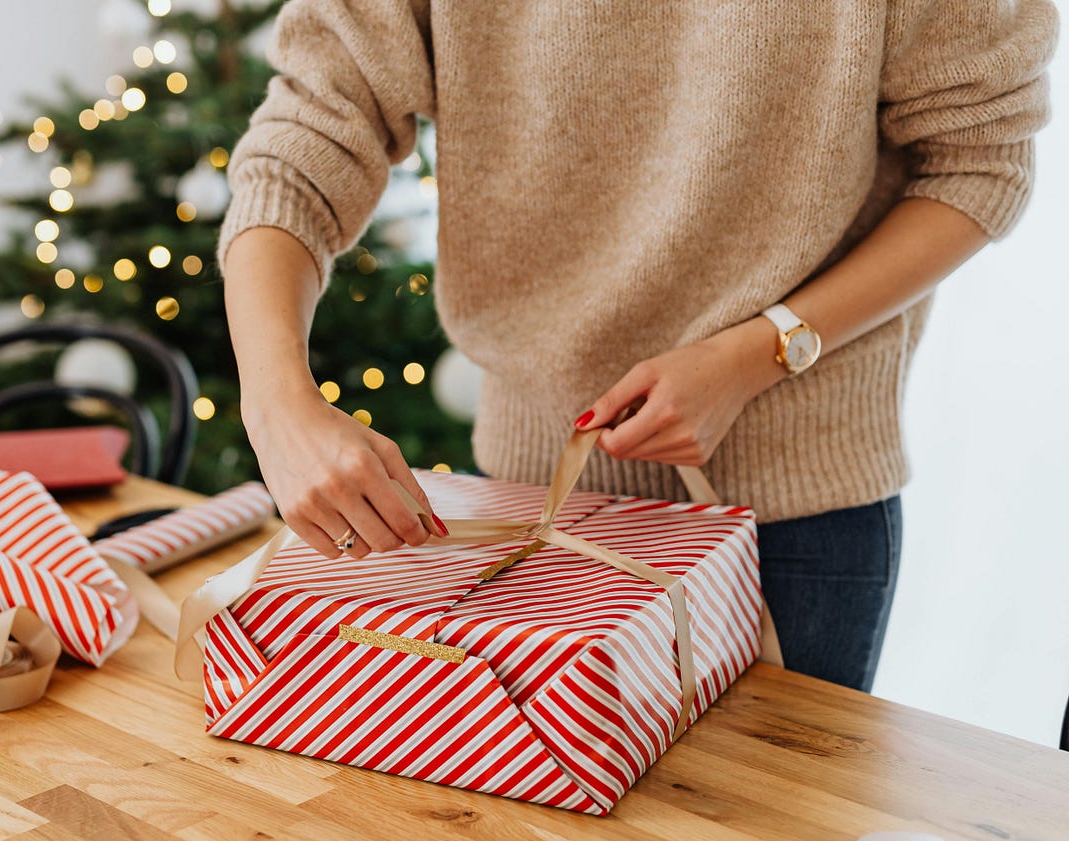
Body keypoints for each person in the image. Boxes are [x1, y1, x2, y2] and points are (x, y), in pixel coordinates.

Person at [216, 0, 1058, 692]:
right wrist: (276, 401)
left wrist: (759, 352)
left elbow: (979, 163)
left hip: (792, 529)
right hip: (525, 503)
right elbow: (305, 146)